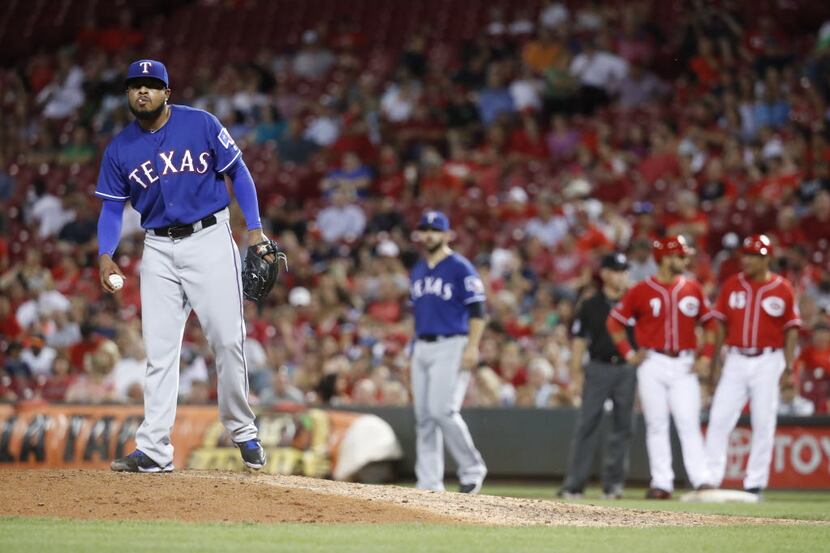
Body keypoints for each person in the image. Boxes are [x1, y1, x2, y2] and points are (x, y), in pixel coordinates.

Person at [96, 59, 270, 472]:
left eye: (151, 85)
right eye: (135, 86)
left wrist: (255, 230)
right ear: (127, 94)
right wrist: (105, 253)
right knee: (159, 352)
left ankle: (243, 430)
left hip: (209, 238)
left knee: (227, 340)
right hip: (157, 248)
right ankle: (154, 449)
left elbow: (239, 174)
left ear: (167, 93)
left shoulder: (202, 124)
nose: (143, 91)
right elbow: (110, 209)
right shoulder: (120, 148)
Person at [606, 236, 715, 499]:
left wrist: (706, 357)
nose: (685, 260)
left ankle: (701, 478)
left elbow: (710, 325)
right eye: (680, 255)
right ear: (665, 258)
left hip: (684, 362)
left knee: (688, 421)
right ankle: (662, 482)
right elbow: (614, 322)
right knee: (656, 423)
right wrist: (629, 353)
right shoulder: (642, 289)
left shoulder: (692, 288)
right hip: (652, 361)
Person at [705, 235, 802, 495]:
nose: (746, 260)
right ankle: (710, 478)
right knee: (719, 418)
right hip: (735, 358)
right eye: (745, 255)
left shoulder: (782, 287)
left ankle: (754, 483)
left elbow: (791, 331)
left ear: (766, 258)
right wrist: (715, 364)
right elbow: (721, 327)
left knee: (763, 421)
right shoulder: (732, 285)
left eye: (753, 255)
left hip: (769, 360)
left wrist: (789, 367)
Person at [409, 210, 487, 493]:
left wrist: (473, 346)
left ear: (446, 234)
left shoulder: (460, 266)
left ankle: (472, 469)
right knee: (425, 417)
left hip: (452, 343)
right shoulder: (418, 269)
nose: (429, 234)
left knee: (443, 410)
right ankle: (429, 484)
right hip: (422, 345)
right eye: (425, 229)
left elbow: (478, 311)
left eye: (435, 230)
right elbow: (419, 313)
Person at [558, 253, 637, 500]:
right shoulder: (591, 304)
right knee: (587, 423)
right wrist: (575, 376)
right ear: (604, 273)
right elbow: (579, 342)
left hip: (627, 368)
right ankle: (574, 483)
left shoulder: (635, 302)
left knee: (623, 427)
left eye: (624, 270)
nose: (621, 275)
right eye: (616, 270)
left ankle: (613, 484)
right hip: (598, 367)